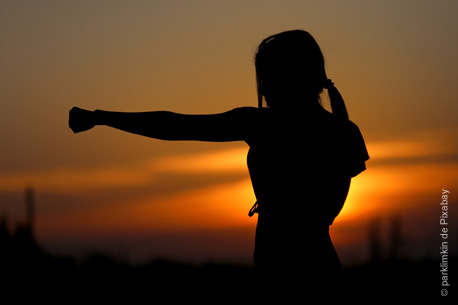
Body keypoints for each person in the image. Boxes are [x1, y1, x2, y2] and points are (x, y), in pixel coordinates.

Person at [69, 30, 369, 293]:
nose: (263, 89)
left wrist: (102, 118)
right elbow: (326, 209)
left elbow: (177, 126)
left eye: (267, 77)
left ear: (288, 77)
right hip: (320, 269)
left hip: (283, 273)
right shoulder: (344, 132)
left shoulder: (264, 125)